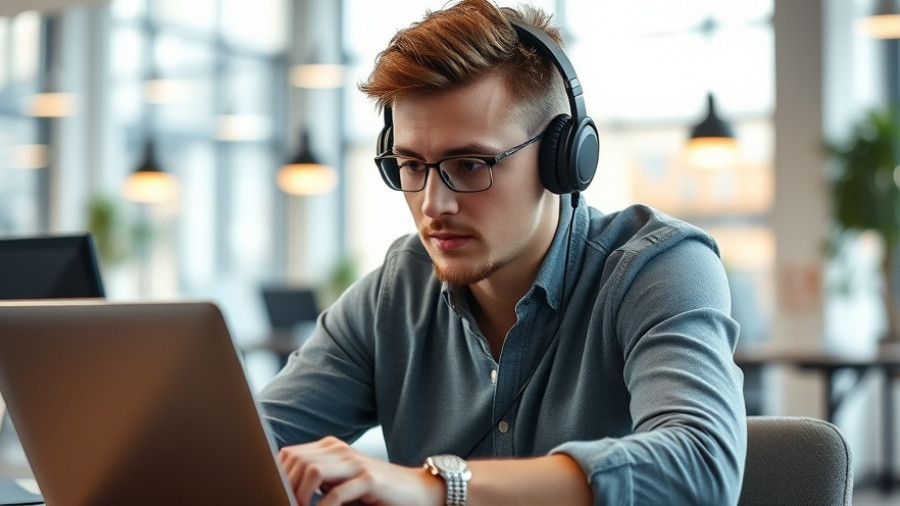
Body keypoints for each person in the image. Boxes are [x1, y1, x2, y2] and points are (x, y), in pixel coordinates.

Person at [259, 0, 747, 504]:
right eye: (410, 165)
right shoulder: (396, 292)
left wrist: (437, 487)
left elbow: (701, 466)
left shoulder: (659, 268)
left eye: (469, 164)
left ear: (563, 159)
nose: (433, 204)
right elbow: (251, 447)